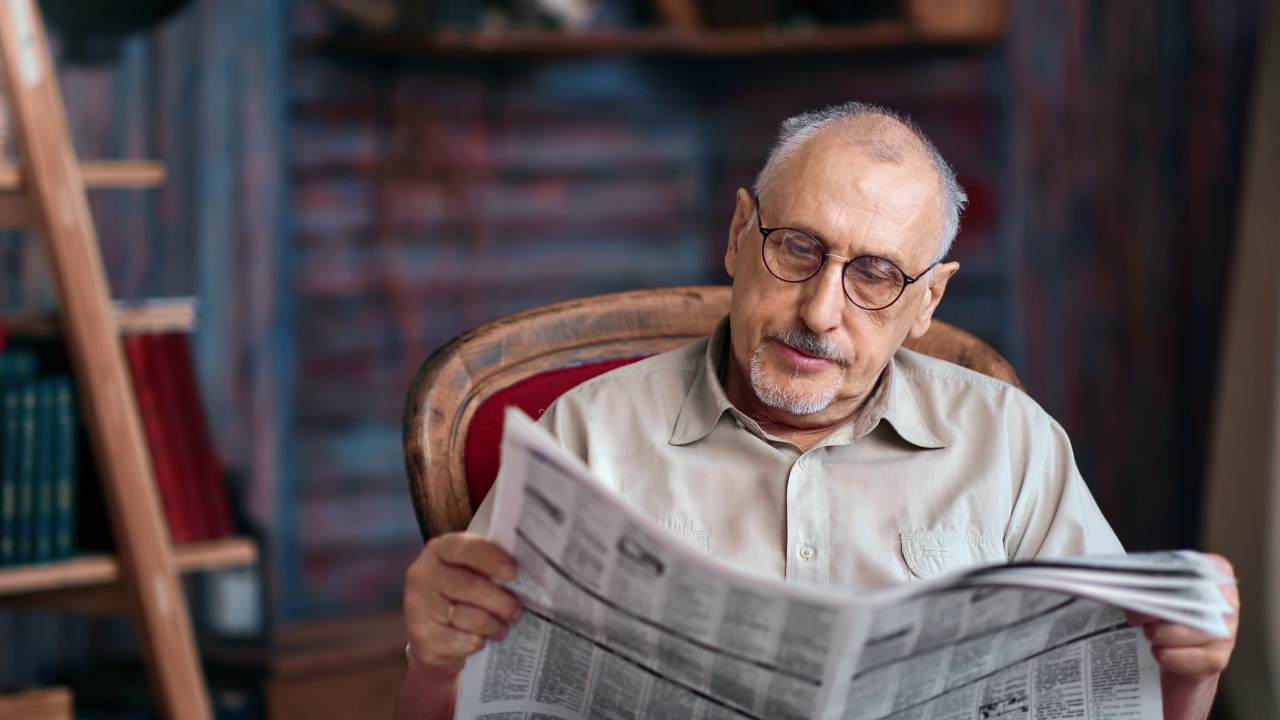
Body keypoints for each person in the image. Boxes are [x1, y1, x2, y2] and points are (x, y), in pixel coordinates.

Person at [396, 102, 1239, 719]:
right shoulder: (586, 435)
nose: (821, 312)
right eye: (799, 249)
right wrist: (436, 667)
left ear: (926, 302)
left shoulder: (1013, 446)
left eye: (875, 275)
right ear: (738, 236)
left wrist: (1189, 680)